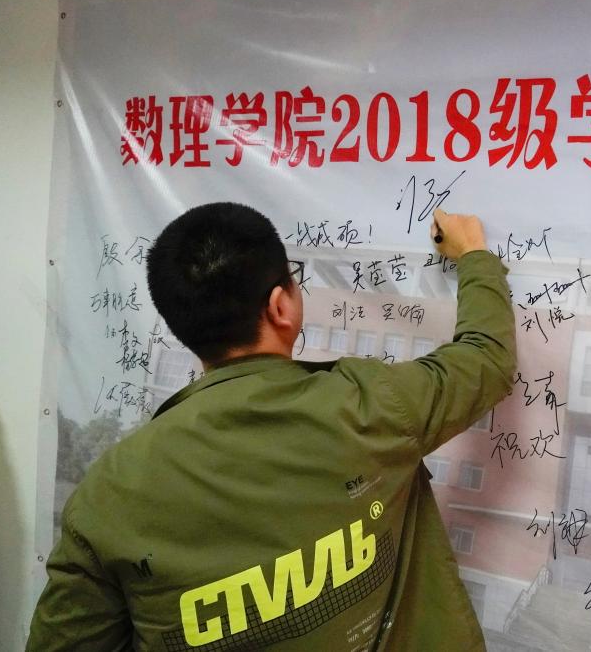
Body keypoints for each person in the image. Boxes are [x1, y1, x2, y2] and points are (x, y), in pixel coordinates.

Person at [27, 203, 516, 651]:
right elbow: (486, 360)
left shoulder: (108, 493)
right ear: (282, 304)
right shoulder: (370, 405)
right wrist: (474, 254)